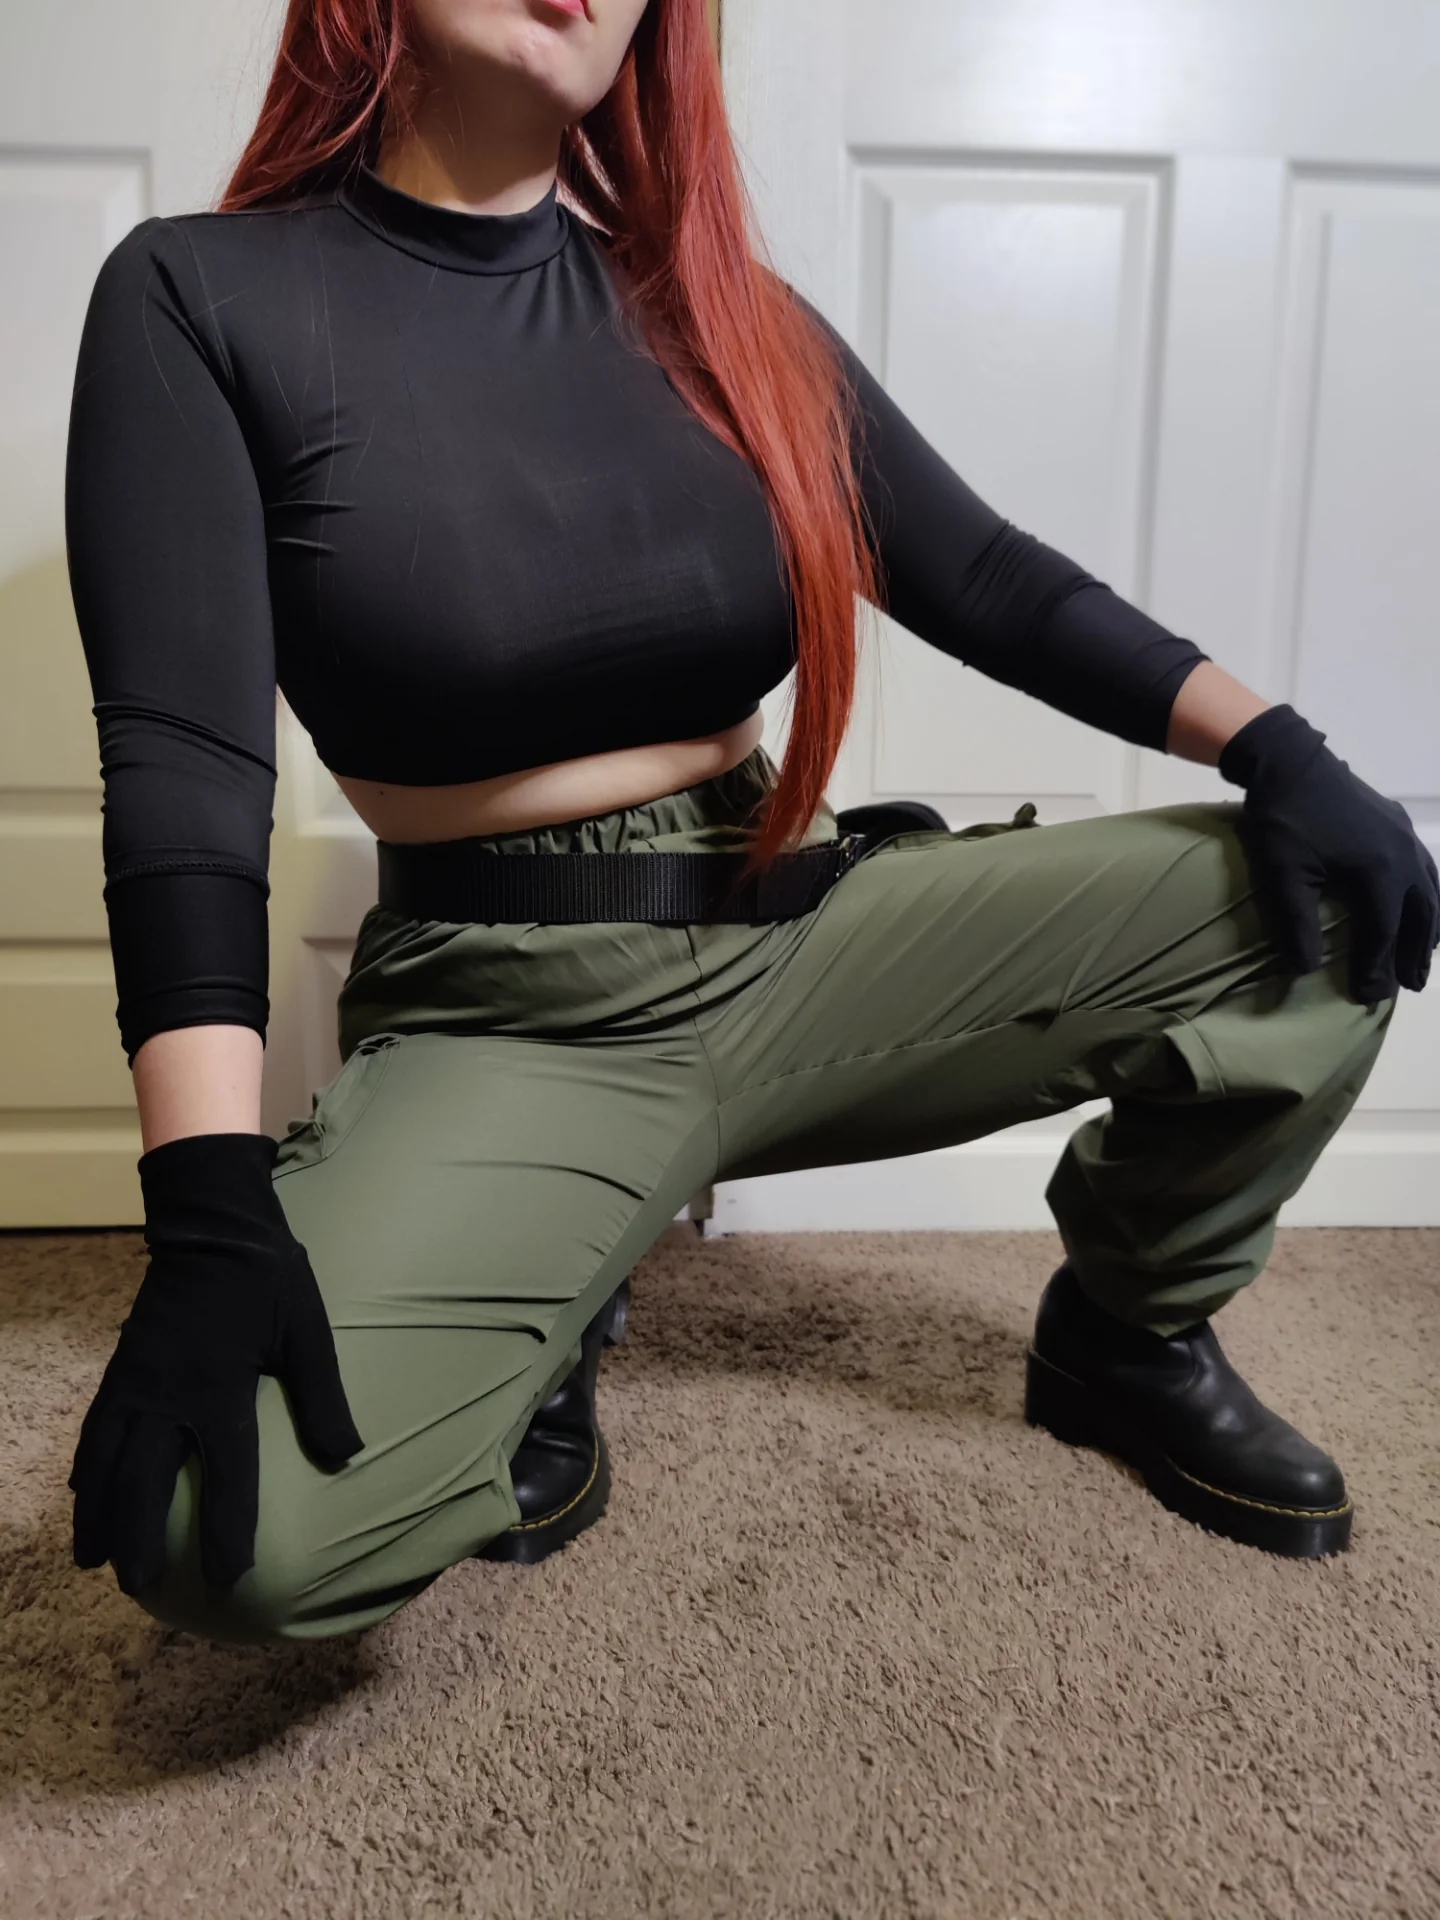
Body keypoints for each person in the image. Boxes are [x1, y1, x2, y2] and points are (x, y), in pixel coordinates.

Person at [62, 0, 1437, 1648]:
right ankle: (546, 1296)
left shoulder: (712, 309)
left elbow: (988, 577)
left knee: (1329, 898)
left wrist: (1277, 745)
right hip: (518, 1011)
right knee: (221, 1532)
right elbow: (186, 780)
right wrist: (206, 1205)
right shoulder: (203, 296)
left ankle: (1127, 1333)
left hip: (797, 933)